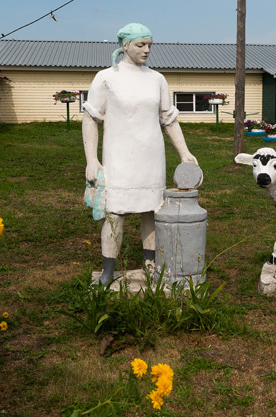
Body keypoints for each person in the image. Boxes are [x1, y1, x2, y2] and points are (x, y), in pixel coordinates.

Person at [82, 23, 199, 286]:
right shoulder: (106, 78)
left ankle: (151, 264)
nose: (147, 50)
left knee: (152, 212)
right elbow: (90, 118)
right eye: (140, 45)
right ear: (124, 45)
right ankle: (108, 271)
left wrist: (184, 152)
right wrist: (92, 160)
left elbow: (168, 119)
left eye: (149, 45)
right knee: (115, 213)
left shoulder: (157, 79)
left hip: (151, 157)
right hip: (118, 158)